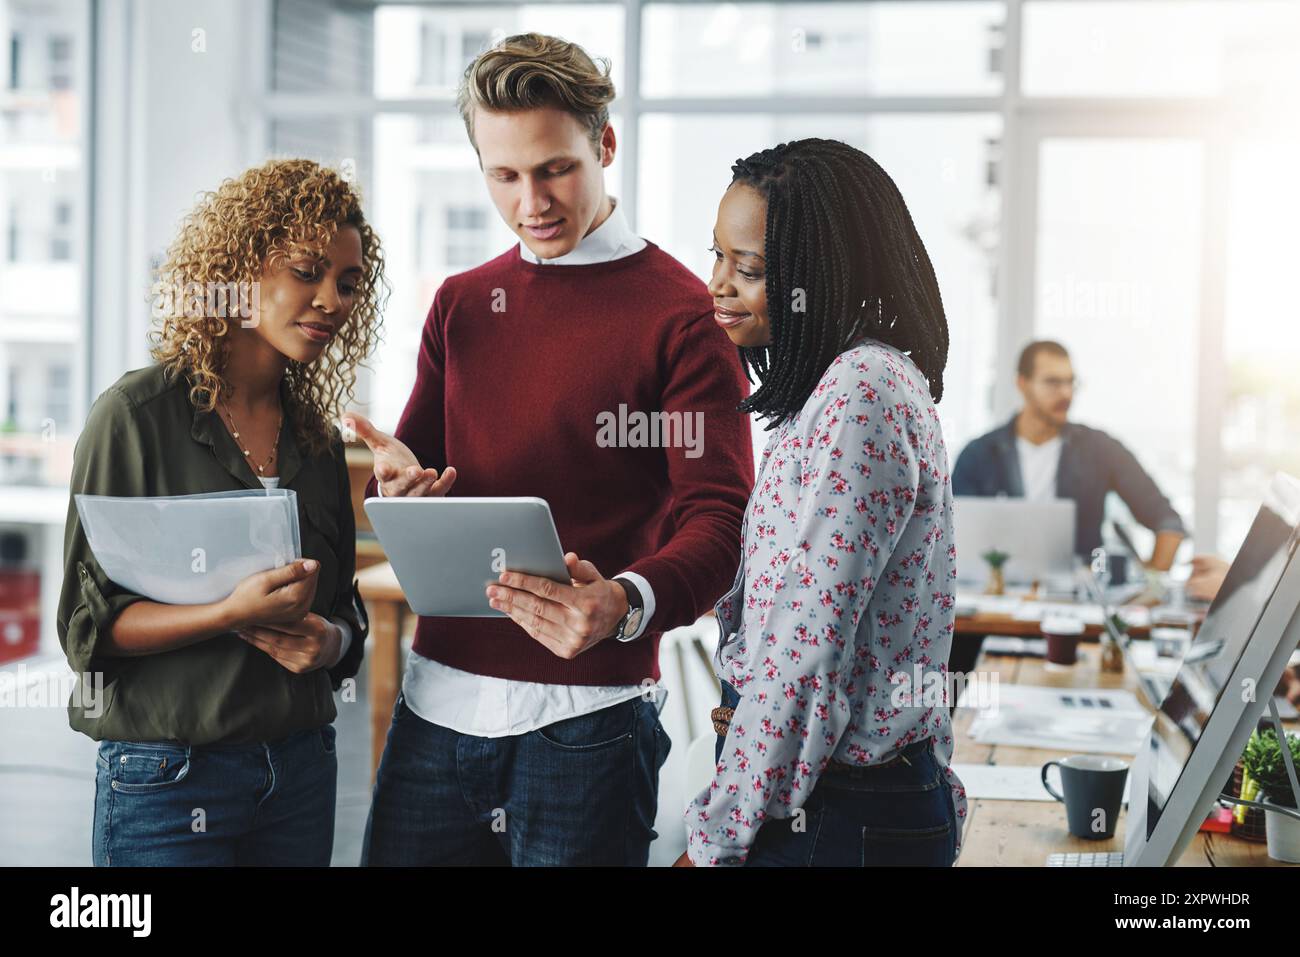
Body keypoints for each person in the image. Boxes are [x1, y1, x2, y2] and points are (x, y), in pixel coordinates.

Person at [351, 33, 754, 866]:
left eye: (555, 169)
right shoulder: (461, 305)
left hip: (588, 727)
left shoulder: (681, 316)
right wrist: (395, 495)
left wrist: (626, 600)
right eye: (504, 175)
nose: (531, 200)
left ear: (604, 145)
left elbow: (719, 517)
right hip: (436, 710)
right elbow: (412, 467)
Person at [58, 159, 378, 865]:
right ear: (239, 269)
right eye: (306, 271)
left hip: (300, 773)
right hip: (166, 781)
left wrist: (329, 643)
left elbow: (348, 618)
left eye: (348, 283)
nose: (331, 299)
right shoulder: (134, 418)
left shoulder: (316, 440)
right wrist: (226, 612)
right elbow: (88, 629)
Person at [678, 138, 967, 867]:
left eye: (747, 268)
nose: (716, 284)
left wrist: (715, 839)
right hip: (844, 802)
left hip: (836, 812)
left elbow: (803, 653)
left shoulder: (860, 392)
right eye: (716, 255)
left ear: (820, 275)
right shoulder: (847, 385)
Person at [952, 340, 1187, 570]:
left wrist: (1153, 586)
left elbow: (1166, 520)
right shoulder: (978, 455)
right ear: (1022, 384)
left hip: (1077, 600)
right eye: (1053, 382)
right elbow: (950, 533)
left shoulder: (1100, 449)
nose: (1065, 393)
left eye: (1070, 383)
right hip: (997, 597)